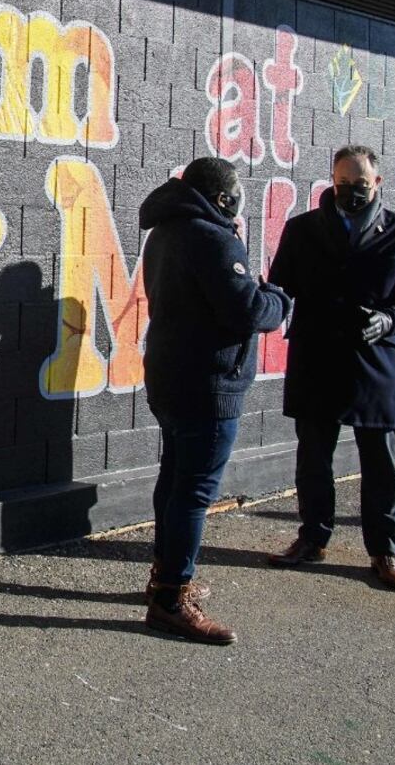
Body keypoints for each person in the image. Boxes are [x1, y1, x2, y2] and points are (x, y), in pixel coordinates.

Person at [139, 157, 290, 644]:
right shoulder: (213, 238)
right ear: (223, 198)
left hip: (170, 375)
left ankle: (165, 576)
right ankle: (171, 599)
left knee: (174, 479)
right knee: (195, 491)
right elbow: (248, 309)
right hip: (208, 384)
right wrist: (279, 298)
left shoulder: (165, 231)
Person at [265, 145, 395, 589]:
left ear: (377, 183)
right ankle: (312, 538)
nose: (350, 192)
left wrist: (390, 320)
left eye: (359, 184)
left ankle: (384, 550)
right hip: (316, 358)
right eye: (342, 184)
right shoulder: (302, 229)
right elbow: (280, 287)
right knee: (313, 458)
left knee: (381, 463)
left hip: (375, 362)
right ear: (331, 182)